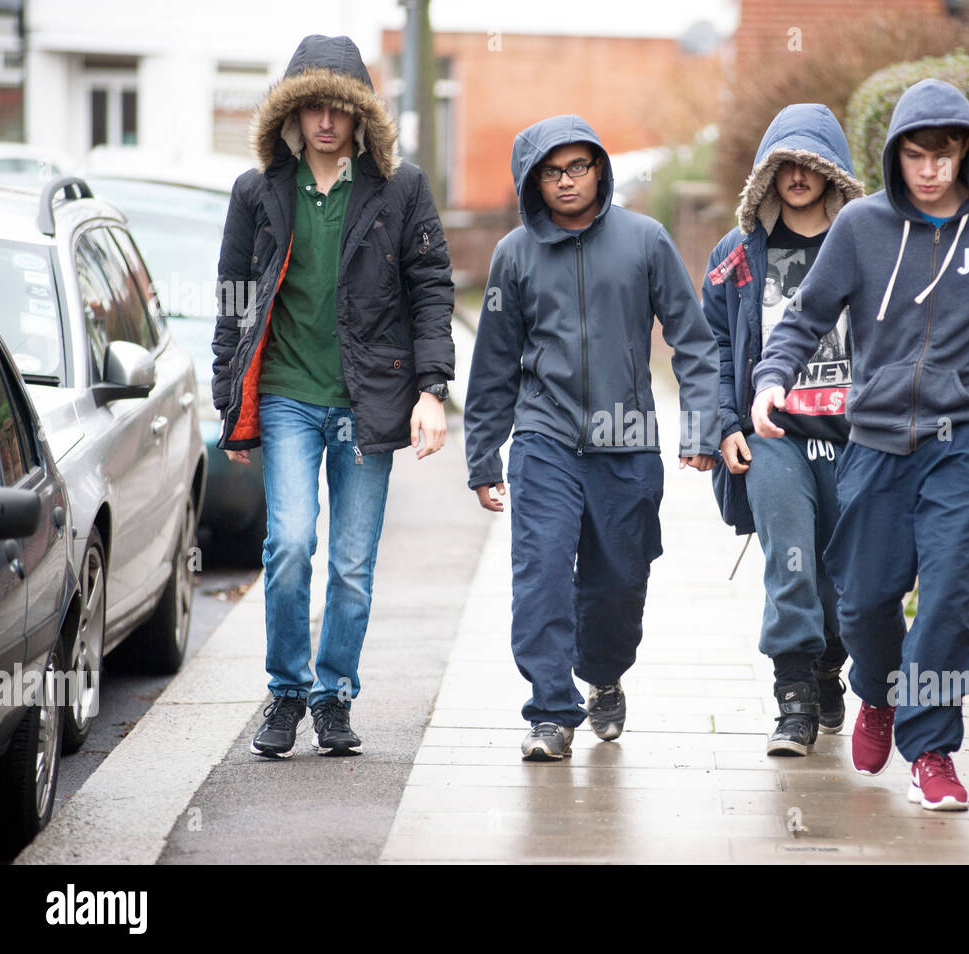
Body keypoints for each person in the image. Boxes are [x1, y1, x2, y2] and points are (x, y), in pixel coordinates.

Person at [751, 79, 969, 809]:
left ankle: (933, 751)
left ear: (965, 155)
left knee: (948, 600)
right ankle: (878, 694)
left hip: (962, 443)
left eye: (943, 156)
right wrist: (770, 381)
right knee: (862, 603)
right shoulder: (862, 227)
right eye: (915, 155)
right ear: (896, 156)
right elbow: (806, 313)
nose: (928, 170)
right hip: (876, 443)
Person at [212, 35, 455, 759]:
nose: (326, 120)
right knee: (289, 544)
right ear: (293, 112)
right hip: (286, 395)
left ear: (359, 116)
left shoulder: (400, 189)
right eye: (312, 106)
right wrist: (232, 400)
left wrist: (432, 390)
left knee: (353, 564)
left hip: (368, 401)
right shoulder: (257, 192)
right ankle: (286, 693)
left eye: (339, 108)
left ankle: (334, 694)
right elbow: (233, 300)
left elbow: (432, 287)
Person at [465, 115, 721, 762]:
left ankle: (603, 674)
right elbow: (494, 364)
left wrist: (702, 426)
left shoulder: (645, 240)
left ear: (600, 168)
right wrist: (483, 456)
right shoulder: (514, 255)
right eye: (552, 172)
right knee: (541, 575)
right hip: (544, 440)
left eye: (579, 167)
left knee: (616, 588)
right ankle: (550, 712)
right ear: (533, 180)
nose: (567, 181)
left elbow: (692, 341)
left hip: (628, 444)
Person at [702, 104, 864, 757]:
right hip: (774, 437)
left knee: (848, 578)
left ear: (834, 171)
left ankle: (830, 664)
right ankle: (793, 700)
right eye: (785, 164)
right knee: (792, 564)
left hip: (856, 441)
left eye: (811, 163)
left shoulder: (865, 241)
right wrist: (722, 422)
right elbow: (713, 342)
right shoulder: (737, 254)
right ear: (767, 173)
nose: (798, 176)